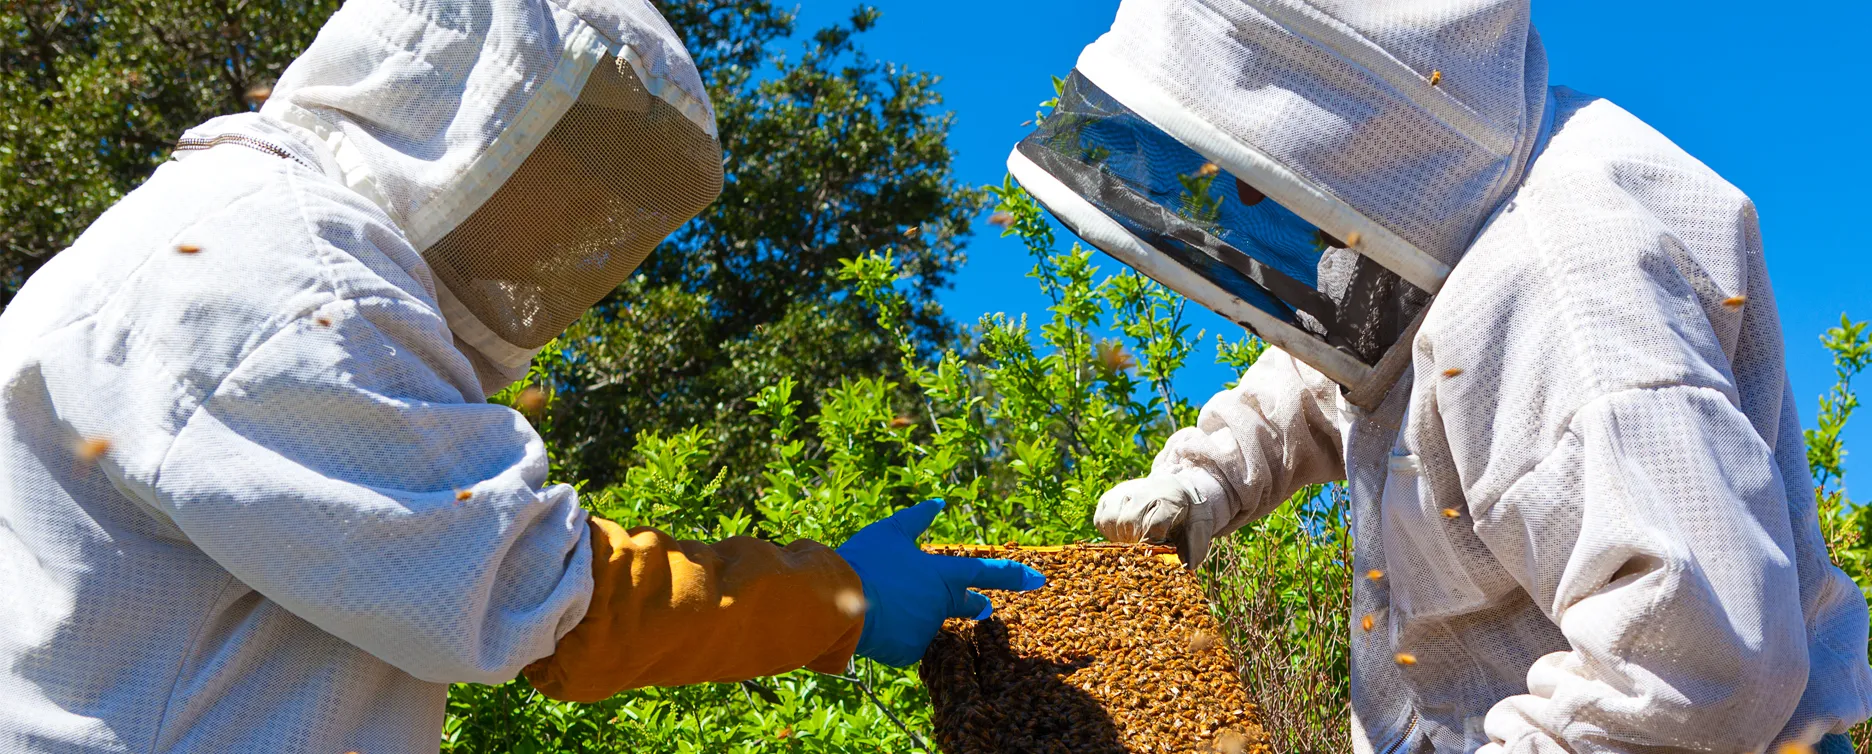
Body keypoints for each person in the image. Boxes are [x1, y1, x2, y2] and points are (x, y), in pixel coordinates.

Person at [0, 0, 1044, 751]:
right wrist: (836, 598)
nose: (555, 229)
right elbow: (539, 598)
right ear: (455, 109)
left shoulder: (215, 236)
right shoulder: (278, 268)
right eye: (552, 171)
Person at [1016, 0, 1872, 751]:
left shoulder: (1571, 298)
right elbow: (1318, 377)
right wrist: (1207, 479)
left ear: (1342, 133)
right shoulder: (1421, 261)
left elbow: (1703, 669)